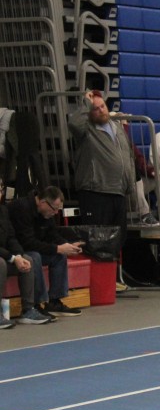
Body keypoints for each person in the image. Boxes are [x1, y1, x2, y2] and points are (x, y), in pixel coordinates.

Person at [8, 186, 84, 318]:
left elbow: (52, 234)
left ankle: (54, 301)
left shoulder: (46, 212)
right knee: (35, 257)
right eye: (54, 209)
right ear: (43, 202)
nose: (56, 213)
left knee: (59, 256)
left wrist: (67, 245)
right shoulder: (21, 208)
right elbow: (27, 243)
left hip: (31, 247)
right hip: (17, 250)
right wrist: (57, 248)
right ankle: (36, 304)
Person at [68, 91, 135, 240]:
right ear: (89, 112)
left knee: (119, 238)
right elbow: (74, 123)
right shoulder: (87, 130)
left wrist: (129, 183)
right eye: (95, 108)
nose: (101, 110)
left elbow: (128, 156)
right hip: (95, 191)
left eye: (102, 106)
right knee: (98, 240)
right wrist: (86, 103)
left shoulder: (117, 128)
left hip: (118, 191)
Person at [0, 205, 52, 327]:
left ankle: (28, 310)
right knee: (0, 263)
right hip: (2, 258)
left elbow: (11, 238)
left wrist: (19, 255)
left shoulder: (3, 210)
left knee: (27, 259)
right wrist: (13, 258)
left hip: (5, 255)